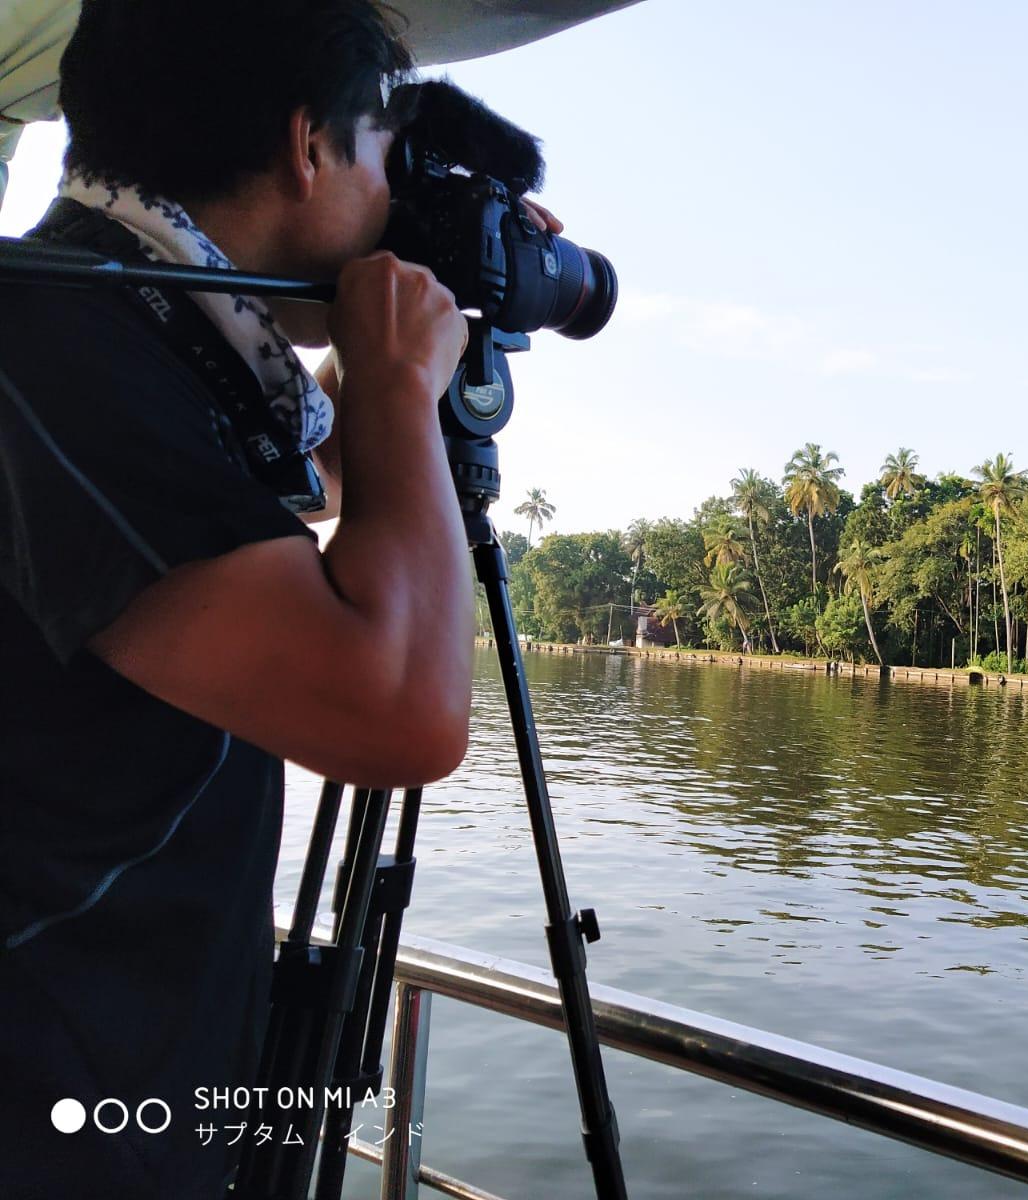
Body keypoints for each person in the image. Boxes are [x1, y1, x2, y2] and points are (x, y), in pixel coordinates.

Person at [0, 2, 556, 1194]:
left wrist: (428, 313)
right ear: (310, 148)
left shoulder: (121, 324)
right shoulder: (58, 346)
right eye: (381, 158)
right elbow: (397, 716)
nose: (387, 196)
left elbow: (312, 483)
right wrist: (402, 384)